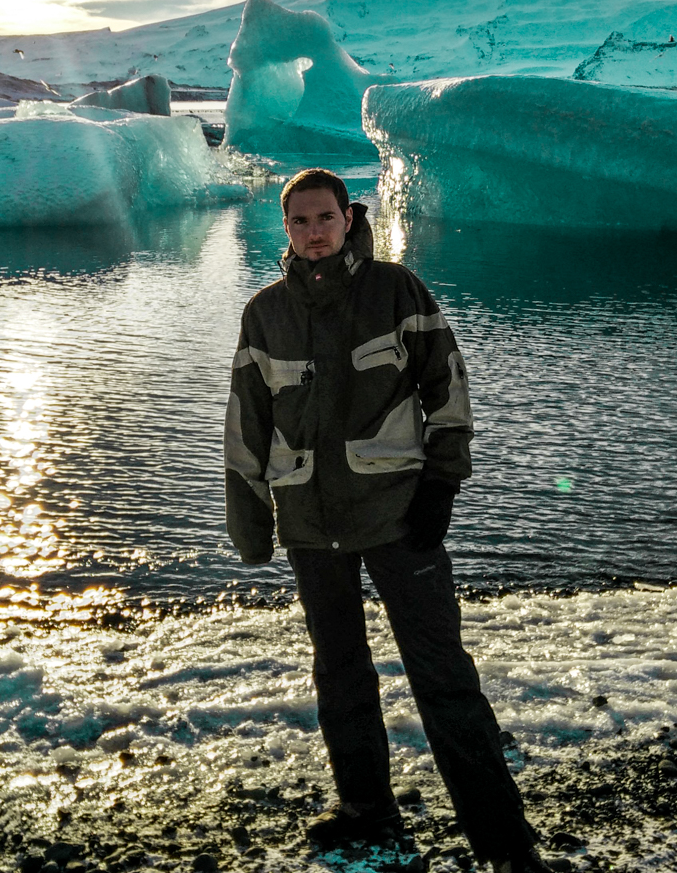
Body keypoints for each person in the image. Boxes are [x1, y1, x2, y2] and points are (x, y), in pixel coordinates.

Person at [224, 168, 547, 873]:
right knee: (339, 671)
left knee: (440, 671)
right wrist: (249, 515)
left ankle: (500, 835)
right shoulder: (265, 313)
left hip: (399, 515)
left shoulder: (395, 290)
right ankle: (366, 811)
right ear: (287, 229)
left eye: (325, 219)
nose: (314, 233)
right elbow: (245, 423)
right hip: (310, 521)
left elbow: (447, 385)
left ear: (349, 218)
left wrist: (442, 484)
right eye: (299, 222)